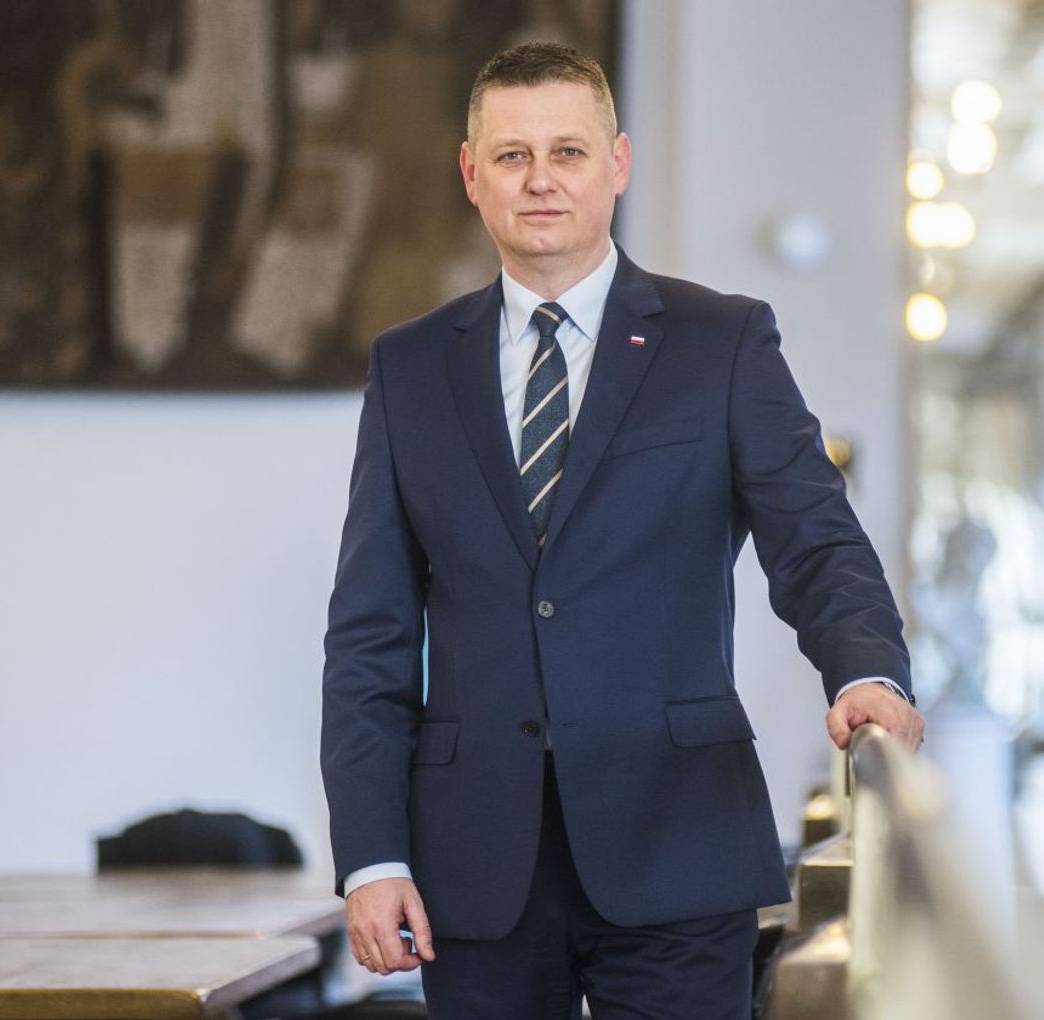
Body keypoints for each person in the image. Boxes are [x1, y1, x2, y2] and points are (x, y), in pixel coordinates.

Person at [321, 41, 924, 1019]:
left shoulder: (722, 341)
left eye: (568, 151)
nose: (541, 179)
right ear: (471, 173)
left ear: (619, 163)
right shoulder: (410, 368)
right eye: (512, 155)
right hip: (475, 868)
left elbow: (816, 538)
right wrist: (372, 857)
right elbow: (369, 633)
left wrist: (867, 673)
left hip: (679, 841)